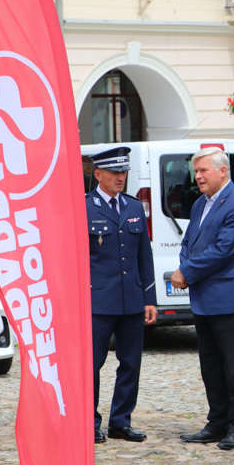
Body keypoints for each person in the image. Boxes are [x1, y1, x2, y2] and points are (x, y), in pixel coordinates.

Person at [171, 147, 234, 450]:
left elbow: (223, 250)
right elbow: (189, 241)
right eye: (196, 172)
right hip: (204, 297)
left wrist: (187, 272)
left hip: (230, 298)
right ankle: (216, 421)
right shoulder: (199, 204)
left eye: (203, 170)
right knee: (211, 366)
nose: (198, 177)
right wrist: (183, 266)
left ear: (222, 171)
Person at [87, 146, 157, 444]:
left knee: (131, 363)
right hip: (98, 300)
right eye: (114, 172)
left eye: (123, 172)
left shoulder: (133, 207)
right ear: (98, 174)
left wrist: (149, 299)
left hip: (131, 299)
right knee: (92, 364)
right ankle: (89, 422)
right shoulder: (83, 207)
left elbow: (145, 256)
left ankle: (120, 421)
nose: (120, 177)